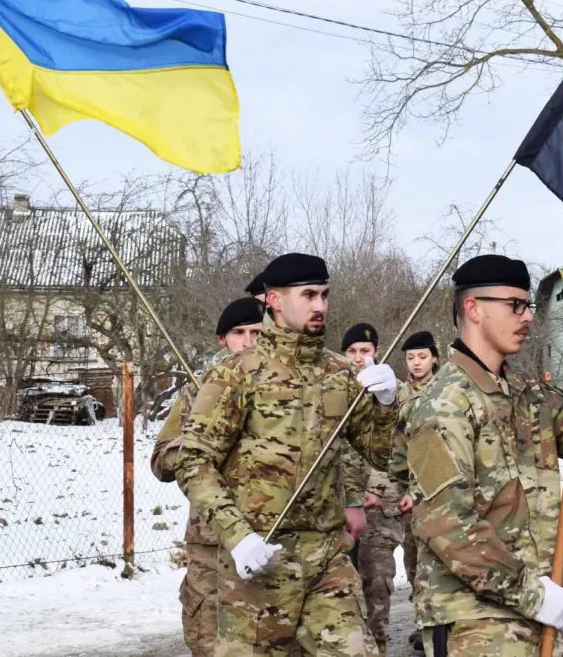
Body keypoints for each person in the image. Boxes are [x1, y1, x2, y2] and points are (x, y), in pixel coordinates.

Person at [401, 254, 563, 656]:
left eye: (527, 305)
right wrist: (530, 594)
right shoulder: (443, 404)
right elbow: (446, 525)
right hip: (474, 621)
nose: (527, 316)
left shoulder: (527, 396)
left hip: (537, 609)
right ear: (473, 309)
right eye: (515, 305)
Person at [176, 253, 399, 656]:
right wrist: (237, 536)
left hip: (326, 557)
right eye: (309, 295)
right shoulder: (235, 374)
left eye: (325, 295)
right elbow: (193, 461)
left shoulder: (339, 373)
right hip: (260, 561)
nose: (320, 306)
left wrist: (385, 405)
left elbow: (380, 455)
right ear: (275, 300)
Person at [150, 296, 264, 657]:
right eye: (239, 333)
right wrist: (199, 440)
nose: (248, 341)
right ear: (223, 340)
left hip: (270, 537)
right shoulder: (198, 392)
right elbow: (161, 461)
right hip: (211, 542)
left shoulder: (286, 392)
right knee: (209, 640)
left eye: (257, 333)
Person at [341, 322, 404, 657]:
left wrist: (377, 488)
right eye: (351, 351)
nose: (358, 358)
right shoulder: (337, 392)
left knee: (376, 576)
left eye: (365, 351)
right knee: (341, 579)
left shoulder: (393, 392)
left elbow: (399, 446)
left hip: (381, 503)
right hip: (342, 499)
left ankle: (378, 642)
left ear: (376, 351)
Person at [391, 330, 440, 654]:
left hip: (442, 490)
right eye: (411, 357)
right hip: (413, 494)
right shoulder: (401, 396)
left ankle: (439, 627)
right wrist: (401, 488)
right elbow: (397, 449)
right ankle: (423, 623)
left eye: (422, 356)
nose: (417, 362)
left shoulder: (446, 391)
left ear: (434, 357)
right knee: (414, 563)